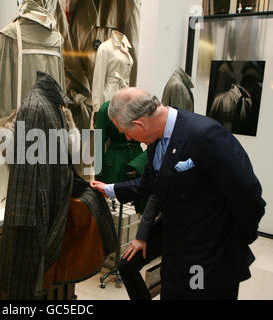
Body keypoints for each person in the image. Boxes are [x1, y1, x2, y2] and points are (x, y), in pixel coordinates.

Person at [91, 87, 265, 300]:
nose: (127, 137)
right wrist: (110, 189)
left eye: (126, 132)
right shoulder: (157, 139)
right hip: (177, 250)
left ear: (139, 124)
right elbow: (151, 183)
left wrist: (235, 239)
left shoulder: (206, 136)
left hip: (208, 258)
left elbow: (249, 196)